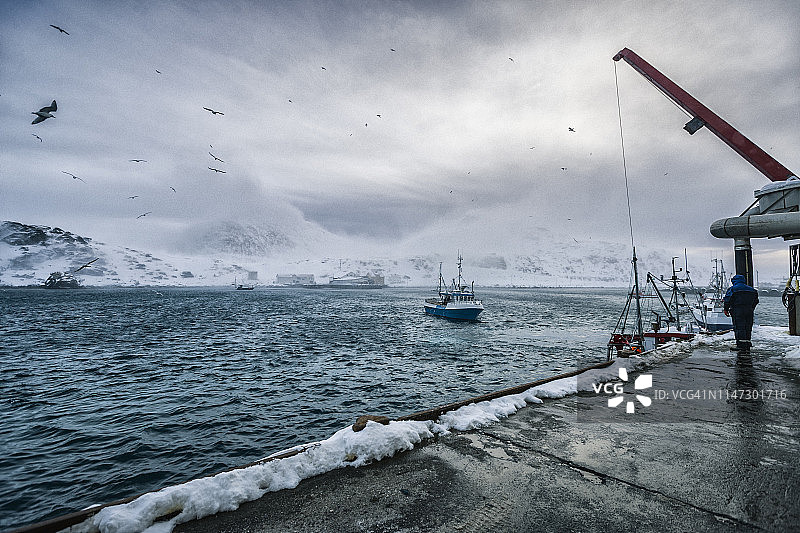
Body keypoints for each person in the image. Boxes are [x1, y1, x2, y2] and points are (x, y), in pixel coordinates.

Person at [723, 274, 759, 352]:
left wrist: (726, 309)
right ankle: (747, 343)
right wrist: (751, 308)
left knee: (739, 327)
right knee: (748, 327)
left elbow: (727, 300)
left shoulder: (733, 289)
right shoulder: (752, 290)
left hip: (737, 310)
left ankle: (741, 345)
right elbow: (756, 301)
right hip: (749, 310)